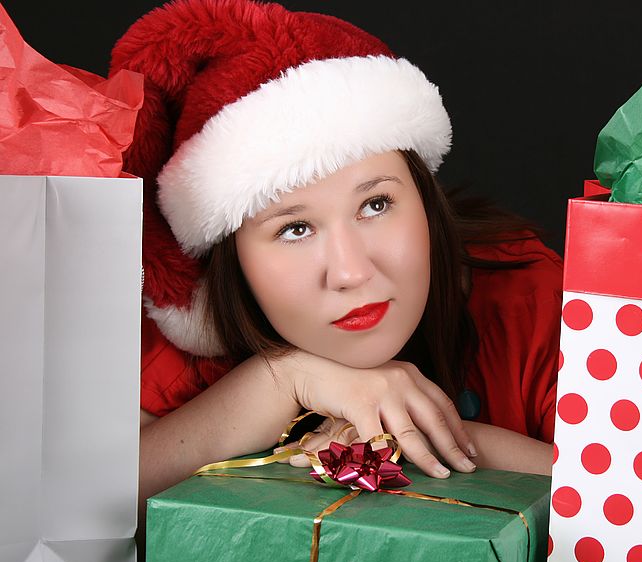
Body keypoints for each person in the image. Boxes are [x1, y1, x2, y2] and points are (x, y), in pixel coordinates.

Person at [114, 0, 562, 524]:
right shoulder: (185, 345)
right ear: (230, 258)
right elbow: (63, 511)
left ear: (424, 196)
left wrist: (409, 433)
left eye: (376, 205)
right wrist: (280, 381)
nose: (351, 272)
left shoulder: (537, 305)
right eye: (294, 228)